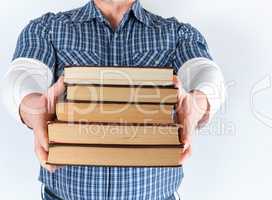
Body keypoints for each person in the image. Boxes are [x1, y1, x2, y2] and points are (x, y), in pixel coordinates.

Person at [2, 0, 225, 199]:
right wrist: (33, 106)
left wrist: (198, 102)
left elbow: (205, 73)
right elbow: (23, 74)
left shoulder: (178, 34)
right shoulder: (47, 28)